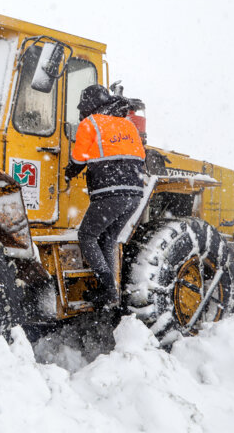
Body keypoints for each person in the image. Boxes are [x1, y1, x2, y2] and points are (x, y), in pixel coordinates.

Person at [64, 84, 146, 307]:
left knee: (87, 236)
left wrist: (67, 173)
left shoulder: (89, 123)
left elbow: (78, 159)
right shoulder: (127, 125)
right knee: (108, 238)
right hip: (135, 194)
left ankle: (107, 287)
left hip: (110, 191)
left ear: (89, 106)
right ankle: (112, 291)